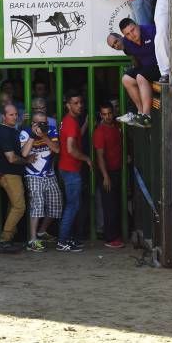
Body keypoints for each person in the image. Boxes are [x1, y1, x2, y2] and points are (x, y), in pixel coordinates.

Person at [0, 104, 33, 253]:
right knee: (19, 206)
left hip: (9, 173)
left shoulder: (9, 130)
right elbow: (11, 158)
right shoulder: (3, 133)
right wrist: (27, 160)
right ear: (3, 116)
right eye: (11, 115)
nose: (15, 117)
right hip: (9, 174)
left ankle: (8, 239)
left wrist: (21, 123)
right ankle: (5, 239)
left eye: (16, 114)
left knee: (13, 206)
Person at [19, 110, 61, 253]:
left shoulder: (52, 130)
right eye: (39, 123)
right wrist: (33, 134)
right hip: (33, 175)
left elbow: (56, 149)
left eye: (45, 123)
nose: (42, 125)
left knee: (56, 205)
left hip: (49, 174)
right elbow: (24, 154)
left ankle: (42, 231)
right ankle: (32, 240)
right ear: (33, 123)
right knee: (37, 205)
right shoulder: (25, 132)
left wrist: (44, 135)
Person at [58, 91, 93, 252]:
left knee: (72, 205)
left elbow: (75, 137)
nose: (80, 105)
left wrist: (86, 124)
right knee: (72, 206)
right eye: (75, 103)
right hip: (71, 169)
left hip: (67, 168)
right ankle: (63, 241)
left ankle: (66, 238)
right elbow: (71, 149)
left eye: (81, 102)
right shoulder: (71, 123)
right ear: (68, 105)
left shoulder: (68, 121)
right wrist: (86, 158)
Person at [109, 19, 160, 128]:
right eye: (127, 34)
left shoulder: (151, 30)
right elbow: (136, 60)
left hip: (160, 67)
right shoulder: (127, 44)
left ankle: (146, 116)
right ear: (124, 35)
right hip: (146, 68)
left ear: (138, 26)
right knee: (126, 79)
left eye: (133, 30)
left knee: (140, 77)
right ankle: (140, 113)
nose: (132, 35)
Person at [93, 102, 123, 248]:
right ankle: (110, 238)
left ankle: (115, 235)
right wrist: (105, 176)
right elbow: (100, 156)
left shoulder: (117, 127)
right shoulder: (99, 131)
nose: (107, 117)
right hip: (107, 172)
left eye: (109, 113)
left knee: (115, 204)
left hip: (117, 170)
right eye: (104, 114)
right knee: (109, 205)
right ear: (100, 115)